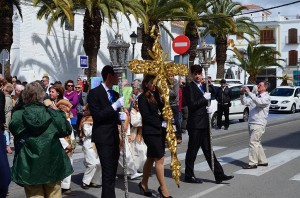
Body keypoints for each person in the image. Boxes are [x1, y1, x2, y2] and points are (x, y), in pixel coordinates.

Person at [9, 81, 73, 198]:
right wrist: (53, 108)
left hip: (29, 162)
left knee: (34, 194)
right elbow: (66, 129)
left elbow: (14, 130)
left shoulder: (19, 114)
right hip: (52, 160)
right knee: (54, 193)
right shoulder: (51, 112)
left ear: (25, 96)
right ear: (42, 96)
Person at [183, 64, 234, 184]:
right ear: (191, 75)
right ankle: (189, 176)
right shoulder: (188, 88)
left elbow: (215, 92)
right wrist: (203, 100)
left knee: (209, 151)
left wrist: (207, 105)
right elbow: (191, 105)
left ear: (202, 74)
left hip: (204, 124)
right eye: (195, 74)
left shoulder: (204, 86)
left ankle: (219, 175)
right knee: (192, 152)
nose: (197, 76)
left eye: (199, 74)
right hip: (195, 125)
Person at [87, 65, 125, 198]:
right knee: (108, 171)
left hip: (114, 137)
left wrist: (121, 117)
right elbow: (97, 116)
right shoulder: (94, 93)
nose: (119, 79)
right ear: (109, 76)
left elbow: (115, 115)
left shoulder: (115, 94)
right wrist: (114, 106)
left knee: (112, 173)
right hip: (102, 137)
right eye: (117, 76)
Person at [138, 74, 172, 198]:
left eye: (155, 82)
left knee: (151, 158)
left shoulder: (157, 95)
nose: (154, 85)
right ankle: (163, 189)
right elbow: (146, 116)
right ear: (146, 83)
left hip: (159, 131)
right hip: (150, 132)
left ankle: (143, 183)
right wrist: (160, 122)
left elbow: (163, 110)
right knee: (160, 158)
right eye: (152, 82)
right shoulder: (142, 98)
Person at [46, 84, 76, 194]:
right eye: (50, 91)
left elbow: (66, 123)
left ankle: (66, 185)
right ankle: (58, 184)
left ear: (58, 92)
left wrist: (72, 139)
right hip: (56, 136)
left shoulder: (62, 104)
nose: (50, 93)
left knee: (68, 160)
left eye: (52, 91)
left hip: (65, 135)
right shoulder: (49, 104)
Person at [240, 81, 270, 169]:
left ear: (265, 88)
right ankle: (263, 161)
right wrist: (242, 94)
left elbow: (259, 103)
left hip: (259, 123)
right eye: (258, 85)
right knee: (257, 143)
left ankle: (253, 163)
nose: (258, 86)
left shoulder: (266, 97)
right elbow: (245, 102)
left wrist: (249, 92)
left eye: (260, 85)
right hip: (251, 122)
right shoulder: (255, 96)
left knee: (253, 142)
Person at [79, 104, 102, 190]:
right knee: (92, 163)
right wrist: (96, 125)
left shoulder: (97, 119)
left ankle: (95, 181)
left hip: (97, 142)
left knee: (99, 163)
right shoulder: (85, 120)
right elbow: (88, 133)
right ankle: (85, 181)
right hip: (89, 143)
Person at [130, 99, 147, 173]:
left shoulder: (143, 110)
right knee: (136, 151)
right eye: (136, 104)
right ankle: (137, 168)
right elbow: (134, 123)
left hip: (142, 134)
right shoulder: (132, 111)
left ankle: (143, 168)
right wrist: (144, 120)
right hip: (135, 133)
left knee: (144, 150)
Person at [169, 75, 182, 144]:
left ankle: (179, 136)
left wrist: (167, 90)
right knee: (167, 121)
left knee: (176, 120)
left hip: (174, 104)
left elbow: (174, 94)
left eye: (171, 76)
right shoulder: (166, 82)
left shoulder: (176, 82)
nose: (170, 77)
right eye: (168, 76)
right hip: (167, 104)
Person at [3, 83, 14, 154]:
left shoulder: (6, 98)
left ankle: (7, 146)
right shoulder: (9, 97)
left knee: (6, 130)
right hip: (9, 115)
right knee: (7, 130)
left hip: (6, 116)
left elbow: (5, 108)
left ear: (6, 91)